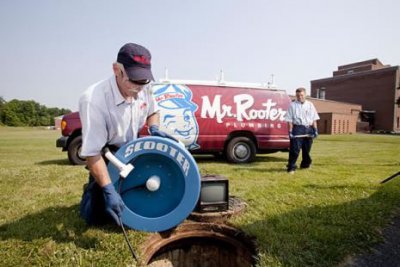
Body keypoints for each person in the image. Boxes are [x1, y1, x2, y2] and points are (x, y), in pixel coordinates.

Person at [79, 43, 176, 226]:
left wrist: (153, 128)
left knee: (138, 199)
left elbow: (152, 111)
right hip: (107, 155)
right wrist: (108, 189)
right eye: (134, 80)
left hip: (133, 151)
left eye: (143, 81)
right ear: (117, 70)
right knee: (98, 218)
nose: (139, 87)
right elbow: (92, 153)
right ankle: (94, 192)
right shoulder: (94, 100)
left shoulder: (144, 86)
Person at [285, 87, 320, 174]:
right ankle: (291, 167)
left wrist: (315, 130)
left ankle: (305, 164)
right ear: (296, 96)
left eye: (301, 95)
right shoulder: (292, 105)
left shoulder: (310, 105)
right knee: (295, 149)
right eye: (298, 95)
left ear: (305, 95)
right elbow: (289, 120)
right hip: (298, 129)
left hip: (309, 128)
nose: (300, 97)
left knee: (306, 150)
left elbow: (314, 119)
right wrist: (290, 131)